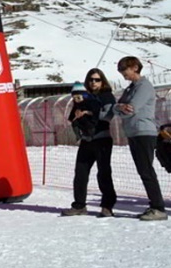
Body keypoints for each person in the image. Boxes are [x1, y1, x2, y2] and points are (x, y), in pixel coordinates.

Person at [114, 56, 167, 221]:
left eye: (125, 70)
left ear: (135, 67)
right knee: (143, 170)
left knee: (146, 170)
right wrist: (119, 107)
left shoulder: (144, 87)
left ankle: (158, 207)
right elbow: (118, 108)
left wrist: (122, 108)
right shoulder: (130, 88)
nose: (123, 74)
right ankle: (154, 205)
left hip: (144, 132)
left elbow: (131, 109)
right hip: (133, 132)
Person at [60, 69, 117, 217]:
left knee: (104, 173)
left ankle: (107, 206)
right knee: (80, 173)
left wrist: (91, 113)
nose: (93, 82)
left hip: (102, 138)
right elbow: (73, 117)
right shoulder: (82, 97)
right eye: (91, 79)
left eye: (97, 80)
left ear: (102, 81)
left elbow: (107, 116)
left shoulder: (106, 96)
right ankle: (79, 205)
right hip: (86, 139)